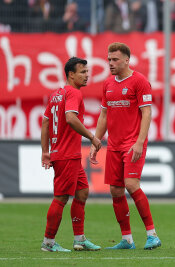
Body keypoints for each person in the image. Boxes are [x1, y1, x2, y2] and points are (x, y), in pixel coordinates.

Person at [90, 42, 161, 250]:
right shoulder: (108, 84)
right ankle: (127, 239)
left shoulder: (140, 82)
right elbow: (104, 114)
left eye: (115, 60)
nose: (110, 63)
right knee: (116, 190)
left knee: (131, 184)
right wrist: (96, 140)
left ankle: (152, 234)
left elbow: (147, 113)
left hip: (132, 143)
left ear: (127, 60)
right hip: (113, 144)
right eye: (109, 59)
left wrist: (140, 142)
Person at [41, 57, 102, 252]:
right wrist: (92, 137)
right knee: (60, 198)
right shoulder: (74, 93)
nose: (87, 75)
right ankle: (48, 242)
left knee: (82, 192)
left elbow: (45, 123)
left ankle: (80, 239)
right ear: (71, 74)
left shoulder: (56, 94)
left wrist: (45, 151)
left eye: (87, 71)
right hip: (67, 155)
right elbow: (70, 118)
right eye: (82, 72)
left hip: (65, 154)